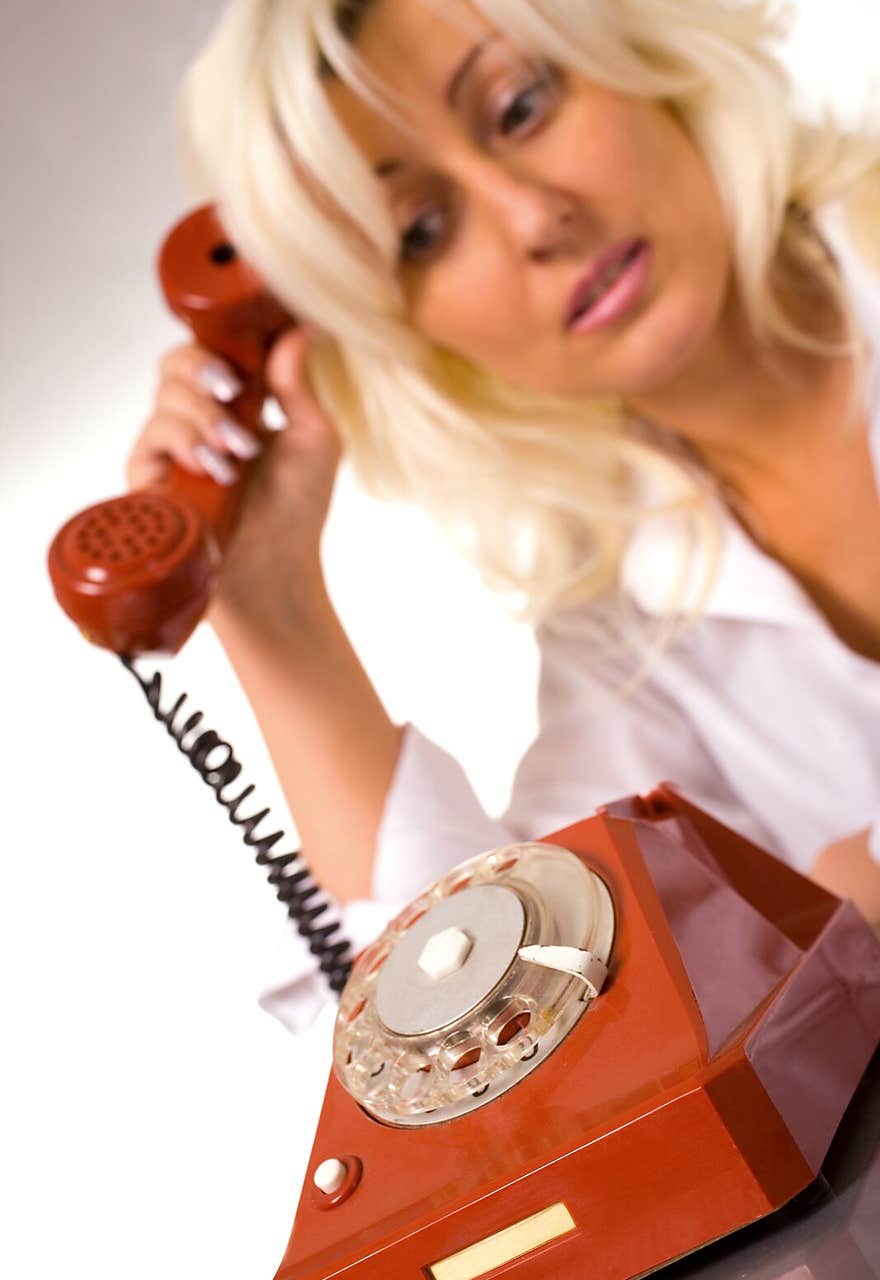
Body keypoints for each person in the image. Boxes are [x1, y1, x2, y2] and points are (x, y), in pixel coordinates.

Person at [126, 0, 880, 1030]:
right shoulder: (625, 625)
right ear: (392, 323)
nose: (533, 219)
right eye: (421, 232)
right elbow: (515, 1032)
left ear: (634, 49)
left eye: (520, 105)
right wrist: (273, 613)